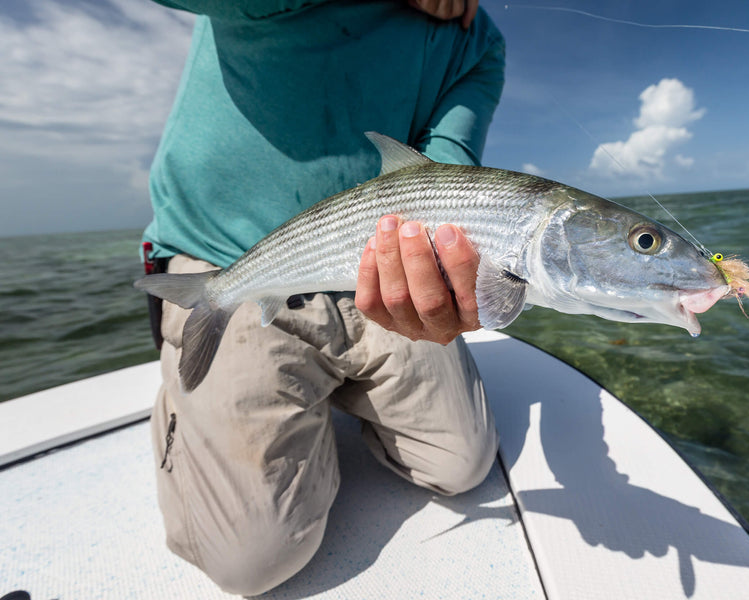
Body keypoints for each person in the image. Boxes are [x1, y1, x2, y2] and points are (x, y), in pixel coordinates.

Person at [140, 0, 505, 595]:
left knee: (461, 464)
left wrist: (436, 266)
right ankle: (191, 396)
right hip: (228, 258)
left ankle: (332, 390)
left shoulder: (478, 40)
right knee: (253, 559)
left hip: (369, 273)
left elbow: (445, 172)